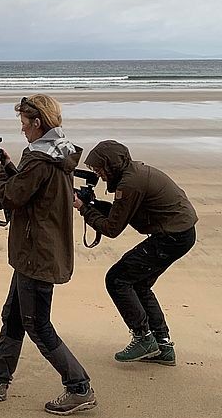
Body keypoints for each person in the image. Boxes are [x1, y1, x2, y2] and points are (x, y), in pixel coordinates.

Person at [0, 95, 97, 416]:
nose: (21, 129)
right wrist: (9, 165)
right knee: (13, 315)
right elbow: (29, 188)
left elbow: (11, 196)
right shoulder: (57, 151)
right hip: (39, 248)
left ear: (37, 122)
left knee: (37, 324)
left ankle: (79, 387)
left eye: (24, 123)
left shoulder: (39, 158)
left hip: (38, 251)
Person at [73, 140, 197, 366]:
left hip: (171, 237)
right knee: (139, 285)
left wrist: (83, 209)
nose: (98, 174)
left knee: (117, 279)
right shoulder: (133, 173)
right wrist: (93, 204)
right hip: (181, 233)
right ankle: (163, 346)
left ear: (111, 165)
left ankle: (143, 338)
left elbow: (112, 228)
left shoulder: (130, 184)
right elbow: (120, 213)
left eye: (100, 168)